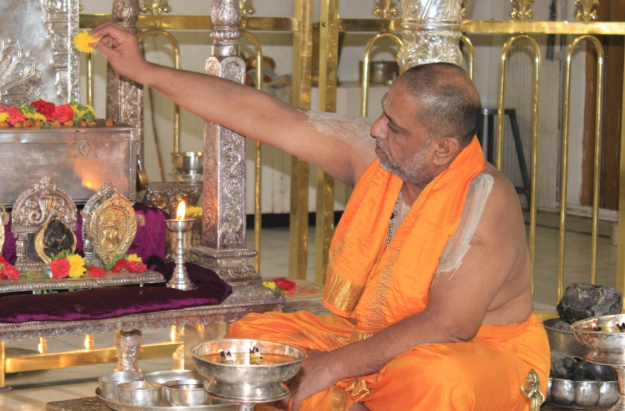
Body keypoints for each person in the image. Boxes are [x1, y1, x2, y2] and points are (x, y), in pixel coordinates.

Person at [91, 22, 550, 411]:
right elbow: (264, 115)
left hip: (476, 350)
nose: (376, 129)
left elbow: (449, 326)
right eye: (384, 113)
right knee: (252, 342)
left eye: (394, 127)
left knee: (436, 379)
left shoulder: (484, 198)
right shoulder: (380, 158)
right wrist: (142, 70)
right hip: (373, 335)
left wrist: (331, 366)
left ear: (443, 149)